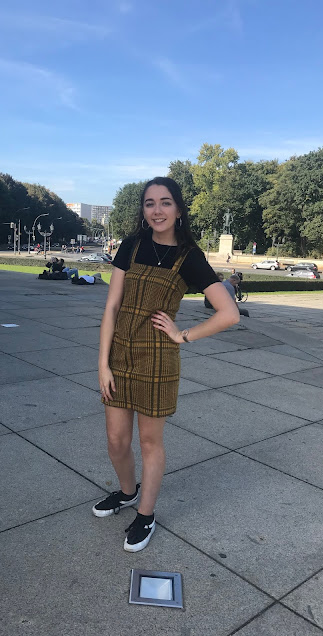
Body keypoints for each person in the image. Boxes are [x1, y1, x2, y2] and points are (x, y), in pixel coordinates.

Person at [94, 177, 239, 552]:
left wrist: (182, 335)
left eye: (165, 202)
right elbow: (112, 306)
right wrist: (102, 364)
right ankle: (127, 491)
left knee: (149, 441)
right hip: (118, 356)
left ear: (178, 209)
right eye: (150, 203)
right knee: (116, 440)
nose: (157, 210)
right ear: (143, 210)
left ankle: (146, 514)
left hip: (158, 361)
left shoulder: (189, 257)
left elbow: (229, 313)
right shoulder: (131, 245)